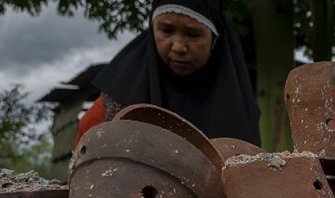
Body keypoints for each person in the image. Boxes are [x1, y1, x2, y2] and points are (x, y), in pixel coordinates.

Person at [75, 0, 260, 145]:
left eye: (193, 34)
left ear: (214, 38)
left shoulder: (238, 108)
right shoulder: (115, 106)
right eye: (166, 30)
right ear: (152, 28)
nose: (179, 46)